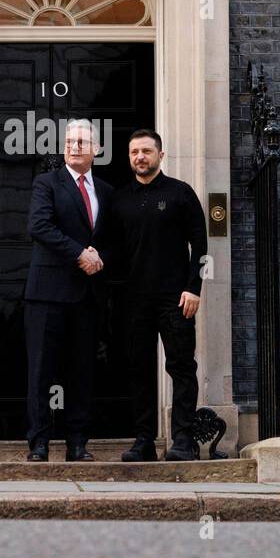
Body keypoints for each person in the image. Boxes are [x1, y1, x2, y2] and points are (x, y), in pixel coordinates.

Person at [105, 129, 208, 462]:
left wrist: (195, 287)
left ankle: (182, 440)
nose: (140, 157)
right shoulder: (119, 199)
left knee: (181, 368)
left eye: (146, 151)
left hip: (175, 299)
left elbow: (202, 246)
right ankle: (144, 440)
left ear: (160, 156)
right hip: (134, 300)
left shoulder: (181, 193)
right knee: (139, 369)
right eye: (134, 152)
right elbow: (112, 250)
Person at [21, 119, 114, 462]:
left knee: (82, 371)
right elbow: (39, 225)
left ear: (97, 150)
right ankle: (39, 442)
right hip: (47, 293)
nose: (75, 146)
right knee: (41, 371)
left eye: (82, 142)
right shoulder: (47, 183)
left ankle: (78, 443)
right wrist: (80, 254)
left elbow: (112, 239)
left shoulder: (105, 191)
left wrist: (99, 258)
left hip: (87, 296)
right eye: (71, 141)